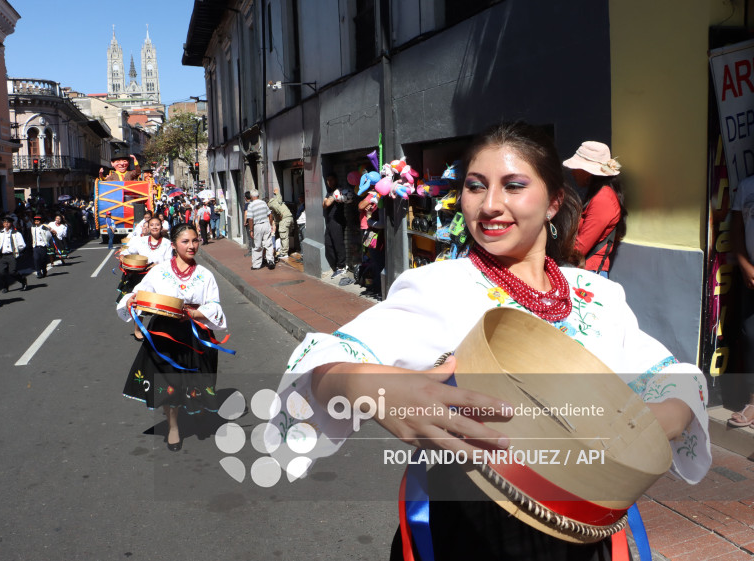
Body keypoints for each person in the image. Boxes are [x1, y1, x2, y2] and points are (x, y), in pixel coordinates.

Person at [276, 122, 710, 560]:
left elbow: (672, 376)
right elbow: (323, 363)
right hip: (473, 534)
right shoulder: (441, 288)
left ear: (554, 201)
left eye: (514, 186)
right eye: (475, 186)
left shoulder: (598, 295)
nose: (489, 205)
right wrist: (374, 390)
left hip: (586, 533)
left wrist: (650, 422)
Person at [117, 223, 227, 451]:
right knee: (168, 382)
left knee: (196, 380)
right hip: (165, 334)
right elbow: (142, 292)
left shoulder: (205, 275)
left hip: (195, 333)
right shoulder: (159, 271)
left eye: (195, 240)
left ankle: (197, 407)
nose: (191, 246)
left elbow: (214, 305)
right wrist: (132, 300)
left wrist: (194, 313)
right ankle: (173, 426)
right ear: (174, 245)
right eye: (185, 241)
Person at [564, 141, 627, 277]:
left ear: (588, 172)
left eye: (577, 168)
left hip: (589, 273)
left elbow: (581, 247)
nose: (573, 173)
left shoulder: (603, 199)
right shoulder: (599, 195)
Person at [119, 216, 173, 340]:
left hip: (160, 277)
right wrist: (122, 256)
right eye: (152, 225)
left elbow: (169, 261)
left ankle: (163, 330)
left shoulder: (166, 243)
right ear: (148, 227)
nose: (154, 227)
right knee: (140, 305)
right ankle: (138, 329)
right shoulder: (141, 241)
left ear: (161, 227)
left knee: (161, 304)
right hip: (142, 278)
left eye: (157, 225)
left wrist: (157, 265)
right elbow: (128, 252)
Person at [730, 174, 754, 427]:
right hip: (751, 275)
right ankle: (753, 402)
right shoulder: (747, 186)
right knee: (751, 337)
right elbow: (736, 230)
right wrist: (745, 266)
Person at [323, 172, 347, 278]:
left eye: (331, 180)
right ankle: (337, 265)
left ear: (336, 180)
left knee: (338, 244)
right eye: (328, 180)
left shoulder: (339, 191)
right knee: (328, 244)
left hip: (337, 220)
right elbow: (324, 205)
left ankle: (341, 267)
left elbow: (327, 203)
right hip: (330, 221)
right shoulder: (330, 192)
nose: (329, 182)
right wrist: (327, 200)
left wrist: (327, 200)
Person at [0, 215, 27, 293]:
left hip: (12, 255)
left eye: (8, 222)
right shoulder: (1, 232)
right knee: (1, 272)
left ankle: (22, 280)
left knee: (12, 272)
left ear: (11, 223)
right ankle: (5, 286)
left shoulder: (16, 233)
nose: (6, 224)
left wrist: (16, 251)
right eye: (4, 222)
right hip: (3, 255)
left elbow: (22, 245)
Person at [247, 190, 275, 270]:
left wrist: (251, 230)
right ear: (258, 196)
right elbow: (270, 214)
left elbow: (250, 219)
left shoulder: (251, 205)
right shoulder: (263, 203)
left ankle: (256, 265)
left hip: (257, 226)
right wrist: (270, 224)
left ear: (251, 197)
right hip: (266, 224)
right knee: (268, 244)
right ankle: (270, 261)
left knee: (257, 245)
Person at [268, 186, 294, 260]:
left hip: (284, 219)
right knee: (286, 235)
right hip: (290, 217)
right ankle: (284, 251)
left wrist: (280, 214)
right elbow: (279, 199)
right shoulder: (276, 200)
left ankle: (284, 253)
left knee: (283, 236)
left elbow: (277, 209)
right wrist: (277, 193)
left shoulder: (270, 204)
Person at [30, 214, 52, 279]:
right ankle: (38, 272)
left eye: (38, 221)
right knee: (36, 259)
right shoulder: (33, 227)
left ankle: (44, 270)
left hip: (43, 245)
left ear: (40, 221)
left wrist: (46, 242)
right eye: (35, 221)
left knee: (43, 260)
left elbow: (49, 235)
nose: (36, 222)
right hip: (36, 246)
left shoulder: (44, 227)